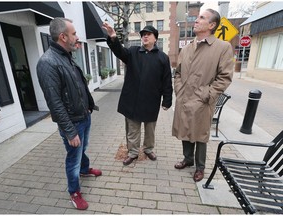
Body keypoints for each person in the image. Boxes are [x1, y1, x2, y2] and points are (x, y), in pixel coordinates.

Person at [36, 17, 102, 210]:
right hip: (72, 123)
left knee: (83, 149)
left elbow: (77, 86)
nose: (77, 37)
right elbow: (54, 103)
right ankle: (74, 191)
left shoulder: (66, 57)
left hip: (83, 116)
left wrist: (88, 107)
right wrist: (69, 130)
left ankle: (84, 169)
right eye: (73, 34)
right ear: (63, 37)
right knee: (73, 157)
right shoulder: (47, 63)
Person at [172, 9, 234, 182]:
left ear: (212, 25)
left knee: (200, 134)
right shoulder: (187, 48)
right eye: (198, 17)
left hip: (202, 99)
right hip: (184, 97)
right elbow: (177, 73)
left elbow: (225, 77)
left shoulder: (222, 47)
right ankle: (187, 159)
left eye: (201, 18)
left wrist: (207, 94)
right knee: (185, 129)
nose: (196, 21)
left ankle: (200, 167)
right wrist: (179, 89)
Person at [102, 22, 173, 166]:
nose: (145, 37)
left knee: (150, 129)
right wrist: (113, 37)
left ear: (155, 38)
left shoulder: (163, 58)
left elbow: (167, 81)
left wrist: (167, 101)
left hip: (151, 100)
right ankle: (133, 152)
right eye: (143, 35)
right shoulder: (133, 52)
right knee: (133, 130)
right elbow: (119, 52)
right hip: (132, 100)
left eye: (148, 34)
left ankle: (148, 149)